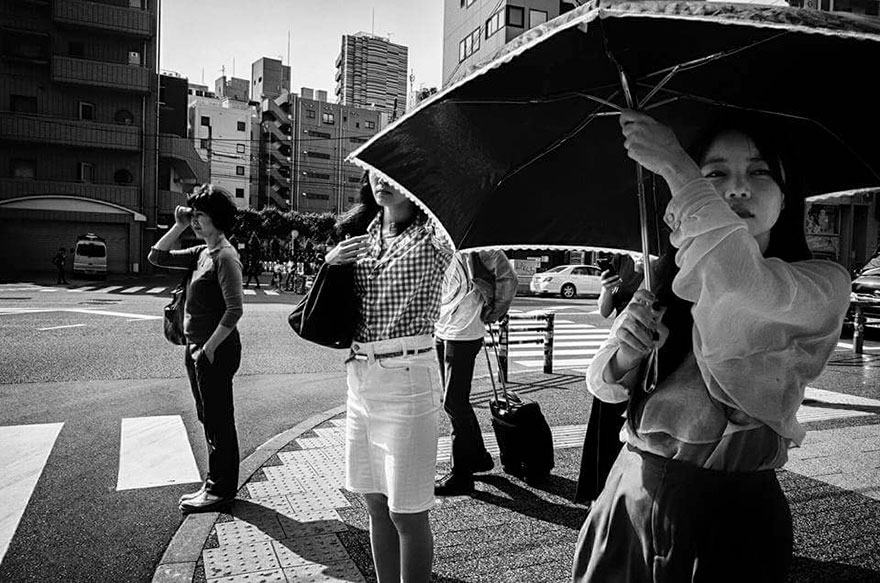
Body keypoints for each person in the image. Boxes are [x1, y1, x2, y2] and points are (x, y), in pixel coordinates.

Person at [572, 110, 851, 582]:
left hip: (731, 512)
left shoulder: (820, 285)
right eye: (716, 174)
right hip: (630, 489)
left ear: (787, 198)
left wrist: (678, 167)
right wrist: (629, 351)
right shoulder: (667, 275)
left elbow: (738, 284)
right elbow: (605, 385)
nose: (738, 188)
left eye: (759, 172)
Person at [325, 170, 452, 583]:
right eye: (374, 172)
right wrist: (331, 263)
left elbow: (455, 231)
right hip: (360, 374)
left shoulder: (433, 234)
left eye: (393, 174)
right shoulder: (365, 231)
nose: (381, 180)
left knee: (406, 509)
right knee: (374, 502)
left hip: (408, 374)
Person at [148, 184, 244, 514]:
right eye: (194, 215)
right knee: (209, 417)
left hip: (214, 348)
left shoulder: (225, 257)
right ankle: (216, 483)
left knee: (218, 419)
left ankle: (220, 490)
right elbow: (156, 257)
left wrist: (208, 350)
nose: (195, 221)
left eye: (200, 216)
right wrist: (177, 224)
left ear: (217, 219)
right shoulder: (201, 252)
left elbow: (235, 310)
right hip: (197, 346)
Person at [434, 249, 517, 495]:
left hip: (465, 332)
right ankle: (478, 457)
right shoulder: (438, 238)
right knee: (452, 401)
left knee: (454, 403)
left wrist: (494, 311)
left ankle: (461, 476)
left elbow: (509, 280)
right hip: (442, 329)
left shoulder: (481, 247)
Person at [574, 253, 646, 505]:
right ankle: (602, 496)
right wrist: (607, 288)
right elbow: (605, 310)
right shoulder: (621, 259)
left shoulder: (662, 255)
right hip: (620, 344)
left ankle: (621, 497)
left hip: (645, 346)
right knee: (606, 423)